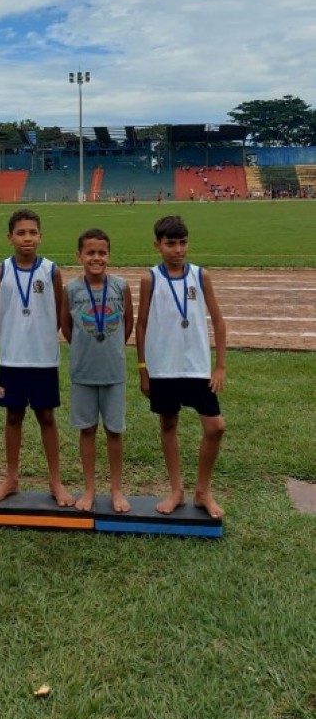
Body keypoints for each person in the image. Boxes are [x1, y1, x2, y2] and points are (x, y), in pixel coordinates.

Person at [135, 215, 226, 519]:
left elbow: (218, 320)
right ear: (157, 245)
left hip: (197, 367)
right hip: (164, 367)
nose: (177, 249)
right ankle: (176, 490)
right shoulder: (151, 279)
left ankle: (203, 491)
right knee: (168, 425)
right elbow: (142, 324)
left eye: (182, 242)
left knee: (215, 427)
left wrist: (220, 366)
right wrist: (143, 368)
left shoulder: (201, 276)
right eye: (170, 243)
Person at [0, 209, 74, 507]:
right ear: (9, 236)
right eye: (21, 233)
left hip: (43, 359)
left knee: (47, 417)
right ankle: (11, 478)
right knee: (13, 416)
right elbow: (0, 315)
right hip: (11, 358)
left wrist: (39, 339)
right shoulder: (0, 272)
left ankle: (55, 481)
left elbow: (59, 315)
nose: (27, 238)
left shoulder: (52, 271)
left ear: (40, 236)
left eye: (32, 232)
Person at [60, 228, 134, 513]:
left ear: (109, 255)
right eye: (90, 253)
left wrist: (111, 348)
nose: (96, 258)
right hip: (83, 373)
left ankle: (116, 488)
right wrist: (84, 347)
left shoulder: (120, 286)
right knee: (87, 430)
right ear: (79, 256)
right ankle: (89, 488)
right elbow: (67, 327)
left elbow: (127, 322)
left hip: (114, 373)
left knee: (115, 431)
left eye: (102, 253)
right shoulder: (72, 290)